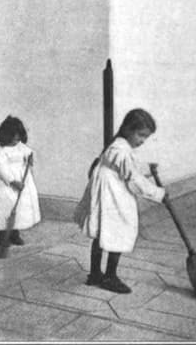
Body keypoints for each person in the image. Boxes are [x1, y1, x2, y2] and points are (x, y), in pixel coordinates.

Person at [74, 109, 166, 294]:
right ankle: (109, 277)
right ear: (127, 129)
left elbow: (131, 168)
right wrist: (158, 193)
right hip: (113, 196)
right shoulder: (120, 149)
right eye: (140, 135)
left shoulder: (119, 147)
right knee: (118, 229)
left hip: (109, 192)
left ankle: (95, 274)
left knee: (103, 232)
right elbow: (133, 178)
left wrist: (148, 168)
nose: (142, 141)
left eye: (145, 138)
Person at [0, 115, 41, 253]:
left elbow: (28, 151)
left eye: (18, 138)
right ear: (6, 136)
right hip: (6, 186)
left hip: (23, 183)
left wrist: (30, 158)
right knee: (6, 210)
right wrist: (12, 181)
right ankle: (3, 237)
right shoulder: (0, 151)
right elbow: (2, 169)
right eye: (14, 139)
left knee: (19, 209)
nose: (16, 142)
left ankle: (15, 234)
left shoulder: (20, 146)